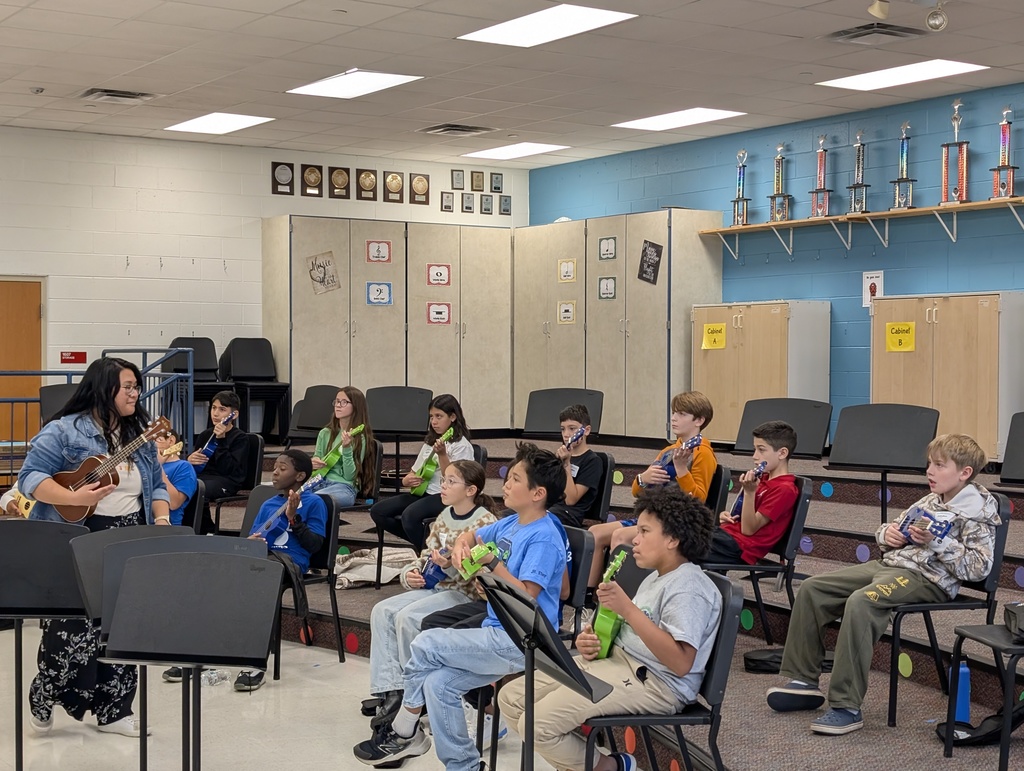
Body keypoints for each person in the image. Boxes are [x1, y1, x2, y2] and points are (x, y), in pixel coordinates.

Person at [766, 433, 999, 736]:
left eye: (939, 466)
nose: (929, 471)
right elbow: (890, 528)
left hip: (927, 579)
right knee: (813, 588)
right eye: (929, 464)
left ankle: (846, 706)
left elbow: (979, 568)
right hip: (891, 566)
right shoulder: (932, 498)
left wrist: (939, 542)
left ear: (964, 473)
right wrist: (887, 534)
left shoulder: (978, 511)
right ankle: (804, 681)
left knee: (863, 602)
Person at [353, 442, 567, 770]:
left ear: (537, 493)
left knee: (424, 643)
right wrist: (462, 547)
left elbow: (527, 595)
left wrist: (492, 564)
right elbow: (472, 537)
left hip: (523, 638)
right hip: (496, 629)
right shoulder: (512, 522)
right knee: (438, 685)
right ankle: (465, 766)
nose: (506, 485)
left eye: (514, 480)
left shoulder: (544, 536)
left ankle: (404, 730)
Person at [499, 486, 722, 771]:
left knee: (536, 724)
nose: (634, 540)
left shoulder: (688, 587)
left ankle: (610, 767)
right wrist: (593, 641)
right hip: (619, 663)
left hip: (656, 684)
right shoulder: (657, 576)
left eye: (644, 531)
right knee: (510, 698)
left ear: (673, 539)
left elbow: (680, 663)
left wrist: (627, 608)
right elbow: (632, 630)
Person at [18, 356, 171, 737]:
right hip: (80, 537)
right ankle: (46, 691)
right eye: (128, 386)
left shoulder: (139, 435)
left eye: (137, 386)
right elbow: (30, 477)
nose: (136, 393)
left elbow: (154, 485)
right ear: (105, 390)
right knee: (71, 631)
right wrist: (70, 499)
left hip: (128, 534)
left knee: (123, 627)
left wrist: (163, 517)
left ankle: (115, 710)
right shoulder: (65, 430)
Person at [366, 460, 499, 727]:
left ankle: (416, 696)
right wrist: (411, 574)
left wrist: (449, 567)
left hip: (465, 594)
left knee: (408, 618)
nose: (443, 485)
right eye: (444, 479)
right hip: (435, 587)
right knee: (382, 610)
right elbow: (425, 555)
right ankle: (393, 689)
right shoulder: (444, 516)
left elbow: (479, 574)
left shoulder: (485, 521)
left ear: (471, 490)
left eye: (452, 481)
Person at [588, 391, 716, 587]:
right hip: (654, 513)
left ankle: (621, 597)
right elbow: (637, 493)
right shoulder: (667, 451)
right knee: (595, 533)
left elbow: (697, 499)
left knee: (620, 536)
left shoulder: (703, 453)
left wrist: (682, 470)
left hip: (675, 522)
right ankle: (589, 597)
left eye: (681, 414)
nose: (674, 418)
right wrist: (642, 478)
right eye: (674, 413)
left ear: (699, 420)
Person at [235, 449, 329, 692]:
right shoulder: (268, 504)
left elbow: (315, 545)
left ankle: (256, 664)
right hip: (263, 557)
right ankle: (205, 653)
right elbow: (253, 536)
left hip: (290, 562)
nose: (275, 471)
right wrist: (252, 541)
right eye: (274, 466)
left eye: (282, 467)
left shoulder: (314, 502)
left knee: (265, 576)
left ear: (300, 476)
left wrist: (294, 519)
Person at [369, 394, 474, 552]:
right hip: (423, 491)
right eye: (431, 417)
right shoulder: (430, 442)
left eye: (439, 416)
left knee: (410, 516)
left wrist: (443, 455)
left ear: (453, 417)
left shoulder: (461, 446)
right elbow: (413, 472)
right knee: (378, 511)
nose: (434, 422)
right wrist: (407, 481)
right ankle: (427, 545)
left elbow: (455, 480)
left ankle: (427, 553)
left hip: (446, 496)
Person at [704, 420, 798, 565]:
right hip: (728, 536)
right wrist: (727, 516)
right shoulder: (762, 479)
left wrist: (749, 493)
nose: (755, 456)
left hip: (740, 547)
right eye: (755, 449)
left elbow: (748, 529)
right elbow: (743, 517)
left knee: (676, 543)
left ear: (782, 453)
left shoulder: (784, 489)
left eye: (761, 450)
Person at [188, 390, 247, 534]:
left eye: (222, 409)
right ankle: (189, 527)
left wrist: (221, 440)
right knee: (183, 482)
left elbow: (230, 469)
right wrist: (189, 461)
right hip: (206, 477)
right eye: (213, 408)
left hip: (228, 480)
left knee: (198, 487)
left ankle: (203, 529)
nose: (215, 413)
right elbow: (199, 466)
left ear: (234, 415)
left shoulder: (240, 438)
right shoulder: (205, 435)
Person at [311, 386, 376, 509]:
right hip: (319, 482)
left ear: (356, 407)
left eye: (344, 402)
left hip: (344, 487)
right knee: (294, 497)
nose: (338, 405)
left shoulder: (360, 437)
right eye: (336, 401)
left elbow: (349, 476)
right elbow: (317, 457)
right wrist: (313, 463)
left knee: (315, 500)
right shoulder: (325, 433)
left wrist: (346, 449)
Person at [550, 404, 603, 528]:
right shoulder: (559, 456)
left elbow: (570, 499)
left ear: (586, 431)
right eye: (563, 429)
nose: (566, 434)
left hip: (569, 514)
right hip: (552, 506)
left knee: (542, 518)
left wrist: (566, 464)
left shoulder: (593, 461)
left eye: (572, 428)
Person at [154, 428, 198, 527]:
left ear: (171, 440)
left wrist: (158, 467)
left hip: (168, 525)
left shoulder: (184, 467)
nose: (150, 445)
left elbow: (174, 503)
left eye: (156, 440)